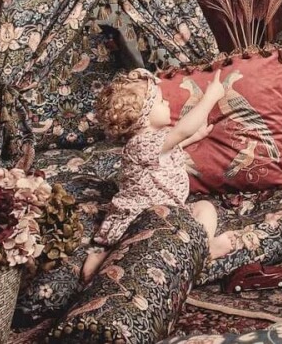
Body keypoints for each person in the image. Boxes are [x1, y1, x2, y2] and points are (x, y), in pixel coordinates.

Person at [81, 68, 235, 281]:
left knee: (205, 208)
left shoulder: (150, 143)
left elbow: (170, 147)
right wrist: (210, 97)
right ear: (144, 117)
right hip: (144, 217)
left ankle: (199, 246)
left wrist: (196, 136)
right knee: (121, 246)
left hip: (167, 212)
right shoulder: (142, 143)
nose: (167, 103)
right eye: (161, 102)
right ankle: (203, 249)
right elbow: (182, 131)